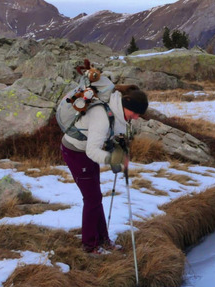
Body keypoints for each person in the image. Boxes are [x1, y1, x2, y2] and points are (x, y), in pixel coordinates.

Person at [60, 84, 149, 254]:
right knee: (92, 199)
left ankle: (103, 239)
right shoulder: (102, 116)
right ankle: (90, 246)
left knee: (95, 197)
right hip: (75, 151)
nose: (136, 118)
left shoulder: (119, 113)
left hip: (85, 151)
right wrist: (111, 158)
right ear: (127, 106)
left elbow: (112, 136)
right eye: (135, 113)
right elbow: (92, 151)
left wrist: (118, 147)